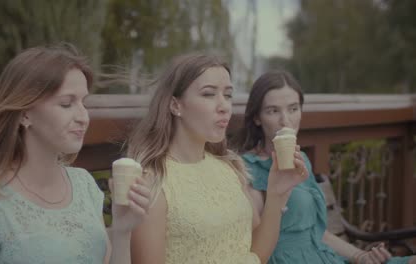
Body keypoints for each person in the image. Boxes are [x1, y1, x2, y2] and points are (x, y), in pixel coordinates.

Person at [0, 43, 150, 264]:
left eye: (84, 102)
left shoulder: (85, 186)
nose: (84, 117)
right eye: (66, 104)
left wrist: (122, 230)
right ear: (24, 114)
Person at [125, 53, 309, 264]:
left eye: (228, 95)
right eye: (209, 94)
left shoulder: (230, 168)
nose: (224, 106)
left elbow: (257, 255)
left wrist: (276, 194)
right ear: (176, 105)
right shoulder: (152, 182)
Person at [232, 70, 416, 264]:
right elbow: (253, 246)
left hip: (325, 256)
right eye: (273, 111)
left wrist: (360, 256)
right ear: (257, 118)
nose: (286, 121)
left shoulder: (301, 159)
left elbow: (320, 233)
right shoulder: (246, 170)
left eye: (293, 109)